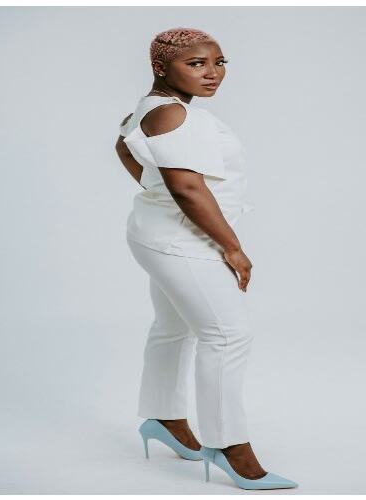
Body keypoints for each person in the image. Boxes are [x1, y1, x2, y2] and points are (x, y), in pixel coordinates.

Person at [115, 27, 298, 490]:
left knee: (173, 328)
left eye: (219, 63)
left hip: (157, 234)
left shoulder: (151, 106)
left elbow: (123, 144)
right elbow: (187, 188)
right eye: (196, 64)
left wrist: (156, 190)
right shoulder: (175, 114)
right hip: (183, 242)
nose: (212, 73)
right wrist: (232, 247)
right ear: (161, 67)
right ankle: (228, 446)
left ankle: (164, 417)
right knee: (228, 336)